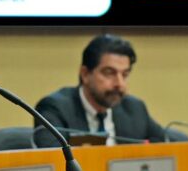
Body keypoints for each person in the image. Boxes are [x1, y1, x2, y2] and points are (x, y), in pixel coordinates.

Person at [34, 34, 166, 147]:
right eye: (109, 73)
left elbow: (164, 149)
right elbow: (54, 162)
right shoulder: (55, 109)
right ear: (85, 74)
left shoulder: (134, 108)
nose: (119, 84)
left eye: (125, 74)